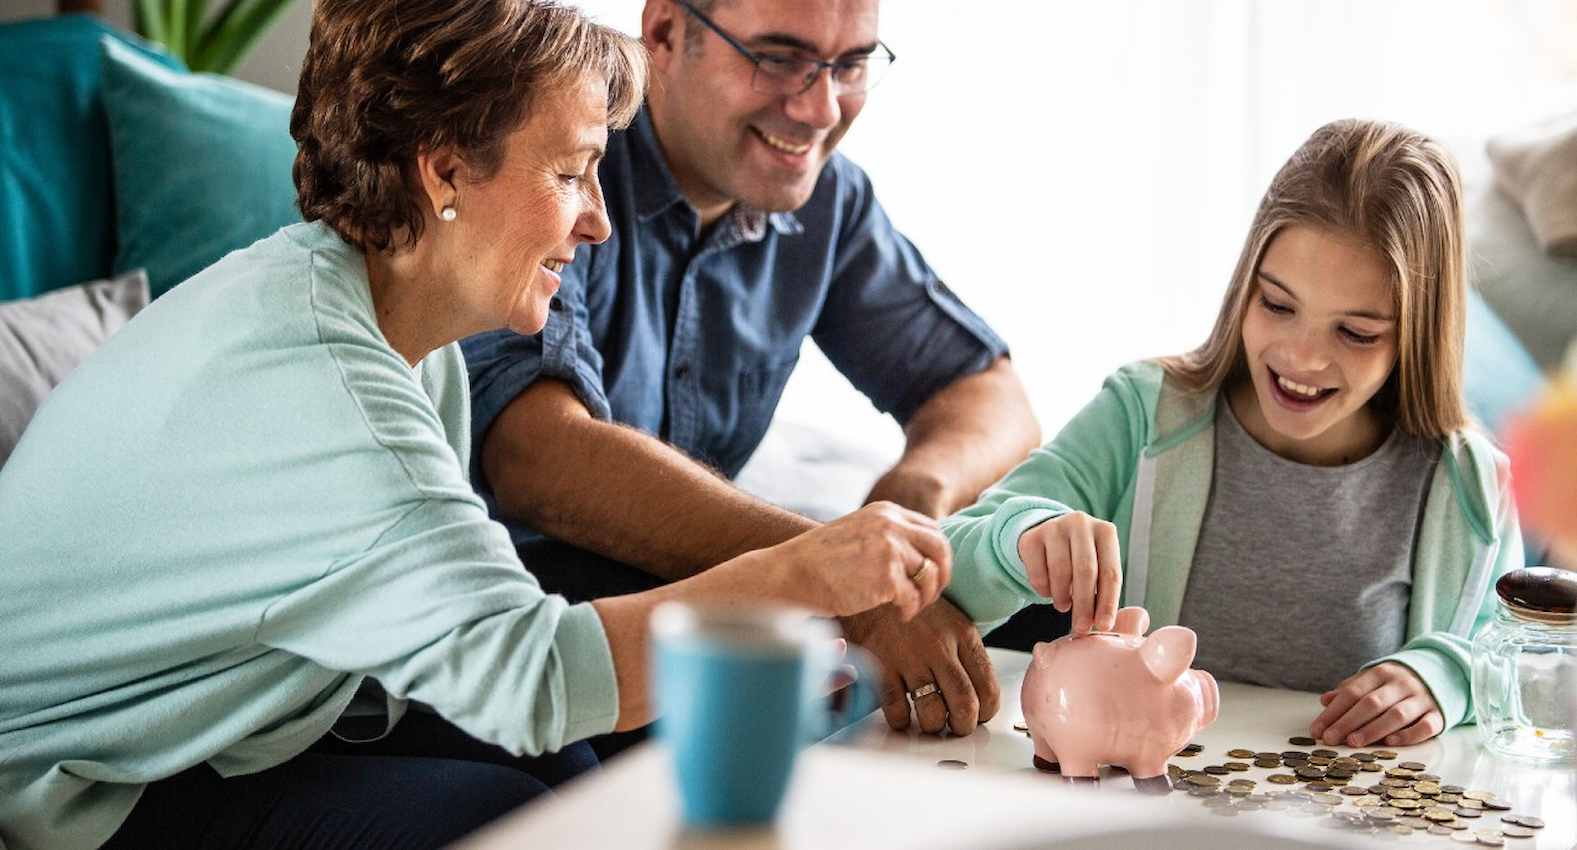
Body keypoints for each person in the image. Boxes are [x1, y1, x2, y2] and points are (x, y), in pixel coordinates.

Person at [0, 3, 954, 849]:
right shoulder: (331, 388)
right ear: (445, 169)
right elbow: (531, 679)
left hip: (250, 719)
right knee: (520, 816)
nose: (596, 224)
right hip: (91, 784)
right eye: (574, 173)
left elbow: (487, 652)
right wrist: (808, 573)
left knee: (572, 781)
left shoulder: (389, 324)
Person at [460, 0, 1040, 741]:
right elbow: (537, 455)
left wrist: (906, 503)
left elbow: (989, 396)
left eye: (851, 63)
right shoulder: (562, 158)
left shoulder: (826, 198)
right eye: (777, 57)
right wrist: (836, 577)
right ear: (665, 34)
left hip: (705, 616)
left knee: (1034, 587)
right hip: (528, 629)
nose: (820, 107)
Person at [941, 119, 1523, 748]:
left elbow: (1517, 665)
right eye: (1277, 304)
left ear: (1417, 332)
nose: (1302, 358)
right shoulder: (1141, 414)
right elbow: (945, 563)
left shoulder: (1470, 484)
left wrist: (1445, 676)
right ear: (1246, 285)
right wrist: (1021, 536)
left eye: (1355, 333)